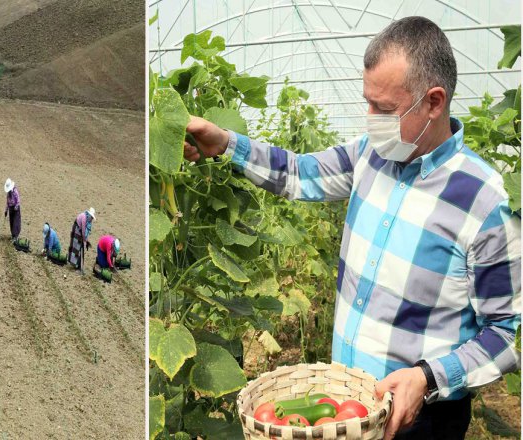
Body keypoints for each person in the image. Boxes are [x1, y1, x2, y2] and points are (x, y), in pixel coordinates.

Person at [181, 17, 520, 440]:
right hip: (345, 408)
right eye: (368, 102)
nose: (370, 118)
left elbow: (503, 335)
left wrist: (427, 379)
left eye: (384, 108)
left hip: (418, 421)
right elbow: (300, 173)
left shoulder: (486, 201)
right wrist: (227, 143)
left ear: (434, 102)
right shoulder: (370, 155)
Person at [68, 208, 96, 273]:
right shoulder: (84, 217)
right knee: (76, 247)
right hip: (77, 229)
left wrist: (86, 240)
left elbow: (86, 232)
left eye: (92, 217)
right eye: (91, 217)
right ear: (89, 215)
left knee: (80, 247)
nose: (92, 219)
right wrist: (84, 240)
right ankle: (76, 265)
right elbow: (83, 230)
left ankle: (78, 266)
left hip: (80, 231)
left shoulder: (89, 222)